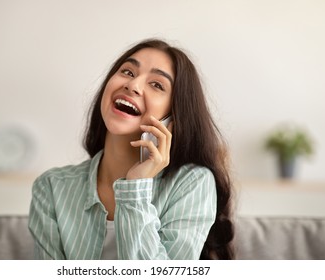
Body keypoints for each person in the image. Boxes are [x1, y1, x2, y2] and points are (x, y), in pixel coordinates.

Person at [28, 38, 234, 260]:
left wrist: (136, 188)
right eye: (127, 72)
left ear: (173, 116)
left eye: (157, 85)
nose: (132, 85)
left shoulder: (192, 184)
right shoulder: (51, 187)